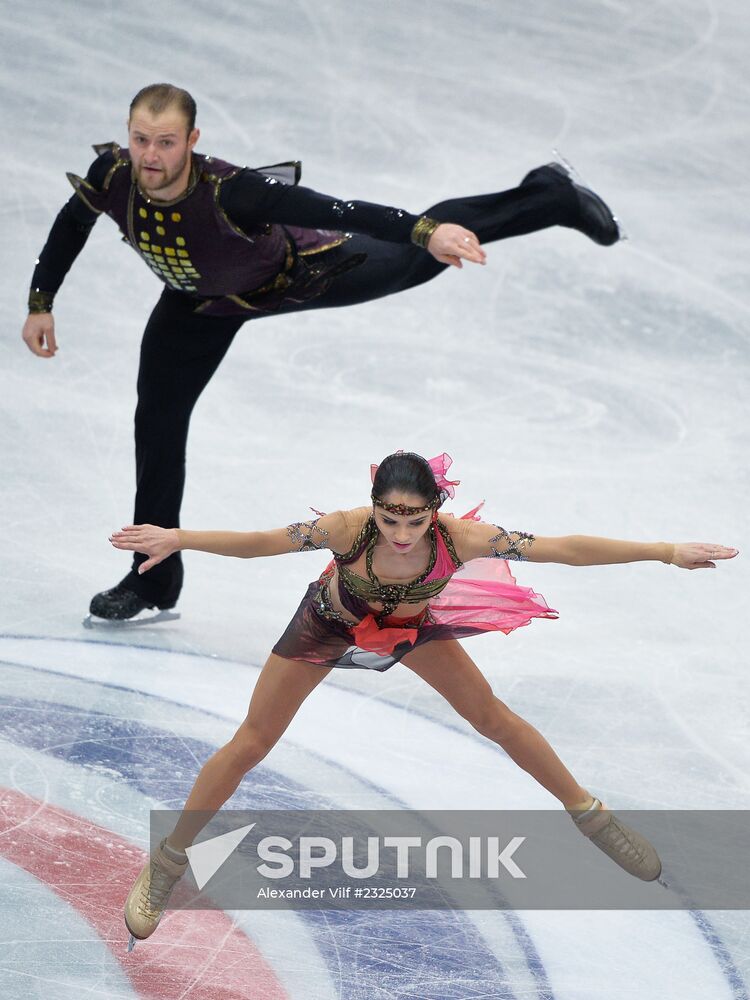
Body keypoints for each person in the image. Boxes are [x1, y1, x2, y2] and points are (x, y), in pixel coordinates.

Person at [23, 82, 624, 621]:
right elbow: (71, 226)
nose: (150, 156)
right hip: (198, 304)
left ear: (192, 141)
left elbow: (345, 210)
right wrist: (41, 300)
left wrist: (426, 230)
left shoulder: (239, 193)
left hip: (300, 273)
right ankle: (149, 580)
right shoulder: (113, 175)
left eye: (166, 142)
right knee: (156, 425)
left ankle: (547, 197)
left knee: (420, 259)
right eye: (140, 140)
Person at [106, 451, 738, 943]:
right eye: (390, 517)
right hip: (325, 625)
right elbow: (260, 542)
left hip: (410, 629)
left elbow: (564, 549)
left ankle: (591, 815)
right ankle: (168, 861)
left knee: (491, 715)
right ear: (373, 506)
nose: (402, 532)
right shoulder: (344, 530)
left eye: (415, 519)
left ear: (433, 510)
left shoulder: (460, 538)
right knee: (251, 742)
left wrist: (664, 552)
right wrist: (179, 538)